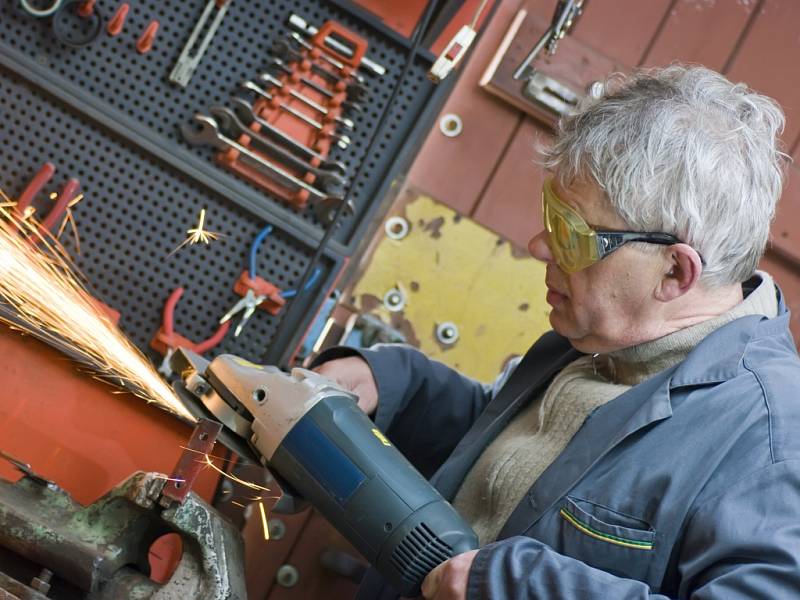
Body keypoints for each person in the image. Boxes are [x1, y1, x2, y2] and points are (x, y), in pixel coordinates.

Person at [313, 65, 800, 599]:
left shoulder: (769, 441)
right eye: (552, 215)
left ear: (675, 272)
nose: (539, 246)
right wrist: (391, 382)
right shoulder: (603, 338)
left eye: (572, 235)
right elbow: (521, 470)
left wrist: (520, 588)